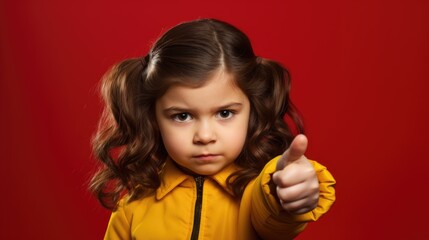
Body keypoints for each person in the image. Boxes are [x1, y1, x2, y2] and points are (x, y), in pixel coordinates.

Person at [89, 18, 336, 240]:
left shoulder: (259, 193)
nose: (205, 136)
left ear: (252, 110)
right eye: (182, 116)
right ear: (153, 117)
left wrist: (289, 192)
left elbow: (275, 220)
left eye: (225, 113)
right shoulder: (132, 208)